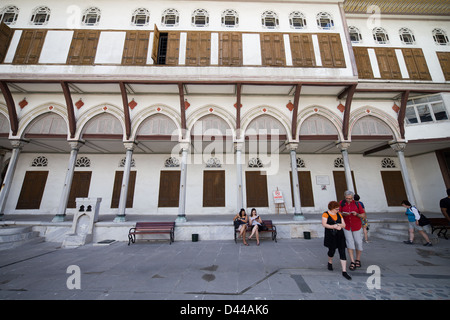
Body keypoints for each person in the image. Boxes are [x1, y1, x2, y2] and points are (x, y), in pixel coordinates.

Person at [322, 201, 351, 280]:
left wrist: (338, 225)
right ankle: (330, 261)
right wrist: (333, 226)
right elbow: (324, 224)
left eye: (338, 209)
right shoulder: (326, 214)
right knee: (331, 251)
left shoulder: (339, 214)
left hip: (340, 235)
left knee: (342, 251)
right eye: (336, 209)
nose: (338, 210)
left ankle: (344, 271)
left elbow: (344, 225)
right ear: (331, 208)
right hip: (331, 235)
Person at [340, 190, 365, 271]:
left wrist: (357, 214)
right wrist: (343, 214)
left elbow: (363, 215)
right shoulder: (342, 203)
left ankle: (358, 259)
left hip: (356, 226)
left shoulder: (358, 204)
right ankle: (352, 261)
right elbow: (338, 213)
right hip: (347, 226)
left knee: (358, 242)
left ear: (353, 197)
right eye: (347, 198)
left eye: (350, 198)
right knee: (349, 243)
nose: (349, 200)